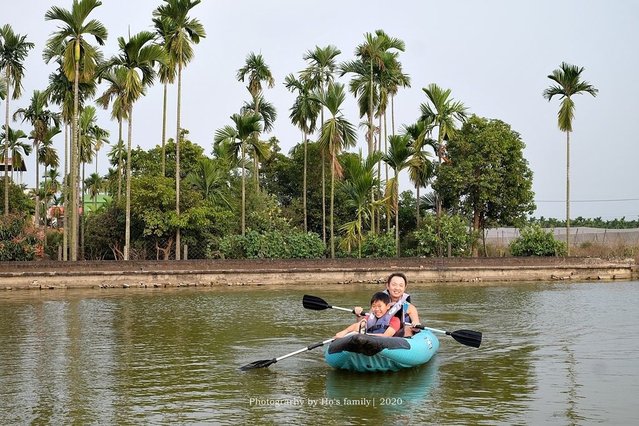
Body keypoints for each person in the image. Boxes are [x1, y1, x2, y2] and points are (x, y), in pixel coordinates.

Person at [354, 272, 421, 337]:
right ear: (388, 286)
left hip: (400, 338)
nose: (397, 288)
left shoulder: (409, 307)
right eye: (394, 284)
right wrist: (358, 316)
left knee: (407, 328)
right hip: (378, 337)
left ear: (404, 288)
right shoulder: (378, 305)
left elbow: (416, 323)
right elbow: (366, 323)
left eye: (401, 285)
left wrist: (415, 325)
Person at [334, 292, 401, 338]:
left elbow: (386, 336)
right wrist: (344, 332)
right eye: (374, 306)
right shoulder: (369, 318)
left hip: (383, 344)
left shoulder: (395, 320)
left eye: (379, 306)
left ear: (388, 306)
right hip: (368, 340)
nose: (376, 309)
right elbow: (358, 326)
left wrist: (365, 335)